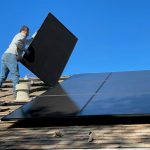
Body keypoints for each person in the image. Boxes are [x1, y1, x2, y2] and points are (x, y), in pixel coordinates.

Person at [0, 26, 37, 97]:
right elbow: (17, 43)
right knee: (15, 75)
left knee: (2, 76)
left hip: (5, 55)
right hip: (11, 55)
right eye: (28, 32)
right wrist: (25, 50)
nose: (28, 34)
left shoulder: (20, 36)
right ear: (25, 31)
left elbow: (28, 41)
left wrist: (35, 33)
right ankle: (16, 94)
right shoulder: (22, 35)